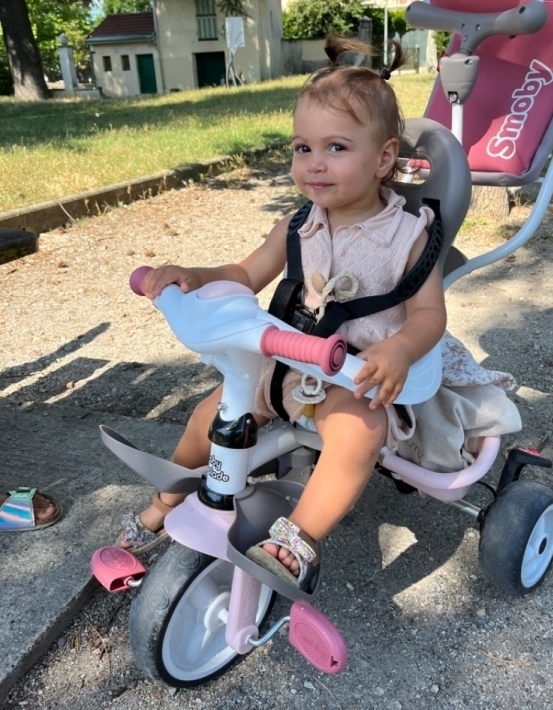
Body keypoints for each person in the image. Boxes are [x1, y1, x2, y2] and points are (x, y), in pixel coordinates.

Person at [117, 35, 521, 586]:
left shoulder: (408, 238)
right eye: (302, 148)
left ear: (384, 159)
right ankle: (165, 502)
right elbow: (245, 274)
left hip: (357, 377)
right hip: (286, 362)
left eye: (336, 147)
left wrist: (399, 349)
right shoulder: (298, 224)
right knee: (212, 417)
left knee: (358, 433)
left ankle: (298, 536)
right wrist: (197, 276)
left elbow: (429, 315)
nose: (314, 164)